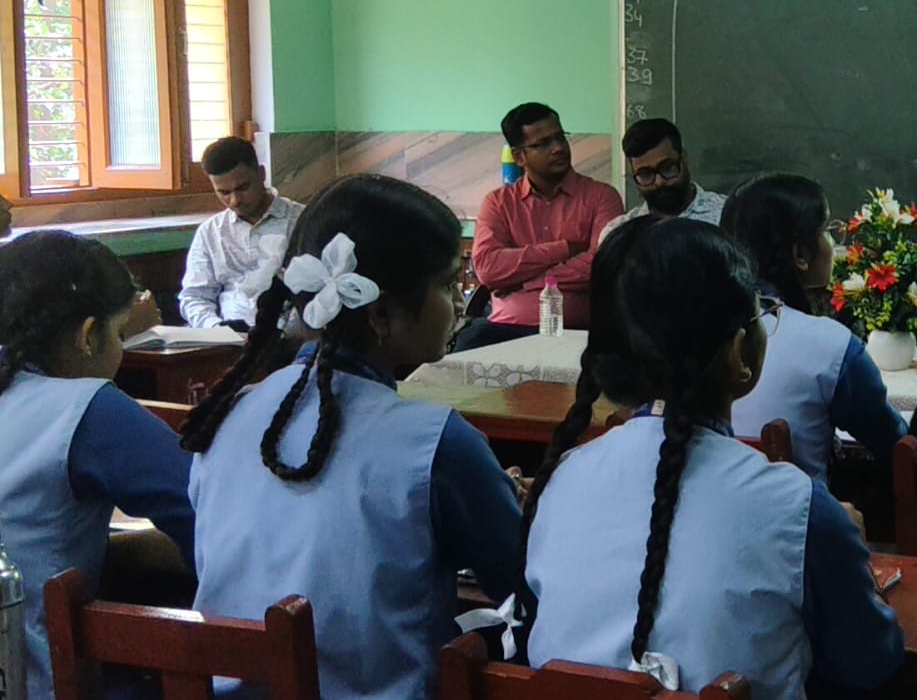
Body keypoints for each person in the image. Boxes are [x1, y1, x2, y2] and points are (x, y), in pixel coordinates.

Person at [521, 216, 905, 698]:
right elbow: (869, 661)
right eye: (762, 313)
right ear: (739, 352)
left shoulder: (559, 481)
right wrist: (845, 557)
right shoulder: (795, 507)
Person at [180, 174, 525, 699]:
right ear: (381, 314)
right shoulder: (433, 442)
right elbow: (521, 584)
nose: (458, 303)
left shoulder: (227, 415)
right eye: (447, 285)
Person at [0, 231, 196, 700]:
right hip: (41, 680)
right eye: (121, 332)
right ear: (89, 335)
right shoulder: (86, 408)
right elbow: (210, 511)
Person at [720, 174, 906, 481]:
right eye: (828, 231)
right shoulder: (829, 345)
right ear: (801, 255)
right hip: (799, 508)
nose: (833, 243)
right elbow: (895, 444)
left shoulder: (695, 331)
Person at [463, 103, 623, 349]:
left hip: (580, 333)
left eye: (560, 137)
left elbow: (604, 265)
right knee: (466, 344)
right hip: (505, 331)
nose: (558, 148)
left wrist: (526, 283)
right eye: (543, 143)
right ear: (519, 157)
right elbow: (488, 268)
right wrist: (564, 249)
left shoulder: (602, 196)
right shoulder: (498, 203)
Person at [179, 136, 304, 330]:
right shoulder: (210, 232)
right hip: (227, 338)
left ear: (262, 174)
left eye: (243, 188)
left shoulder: (302, 221)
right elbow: (194, 297)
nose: (235, 200)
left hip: (290, 336)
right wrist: (216, 327)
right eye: (224, 193)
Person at [598, 118, 726, 244]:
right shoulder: (618, 235)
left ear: (684, 159)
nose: (659, 182)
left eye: (667, 168)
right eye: (646, 174)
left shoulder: (728, 215)